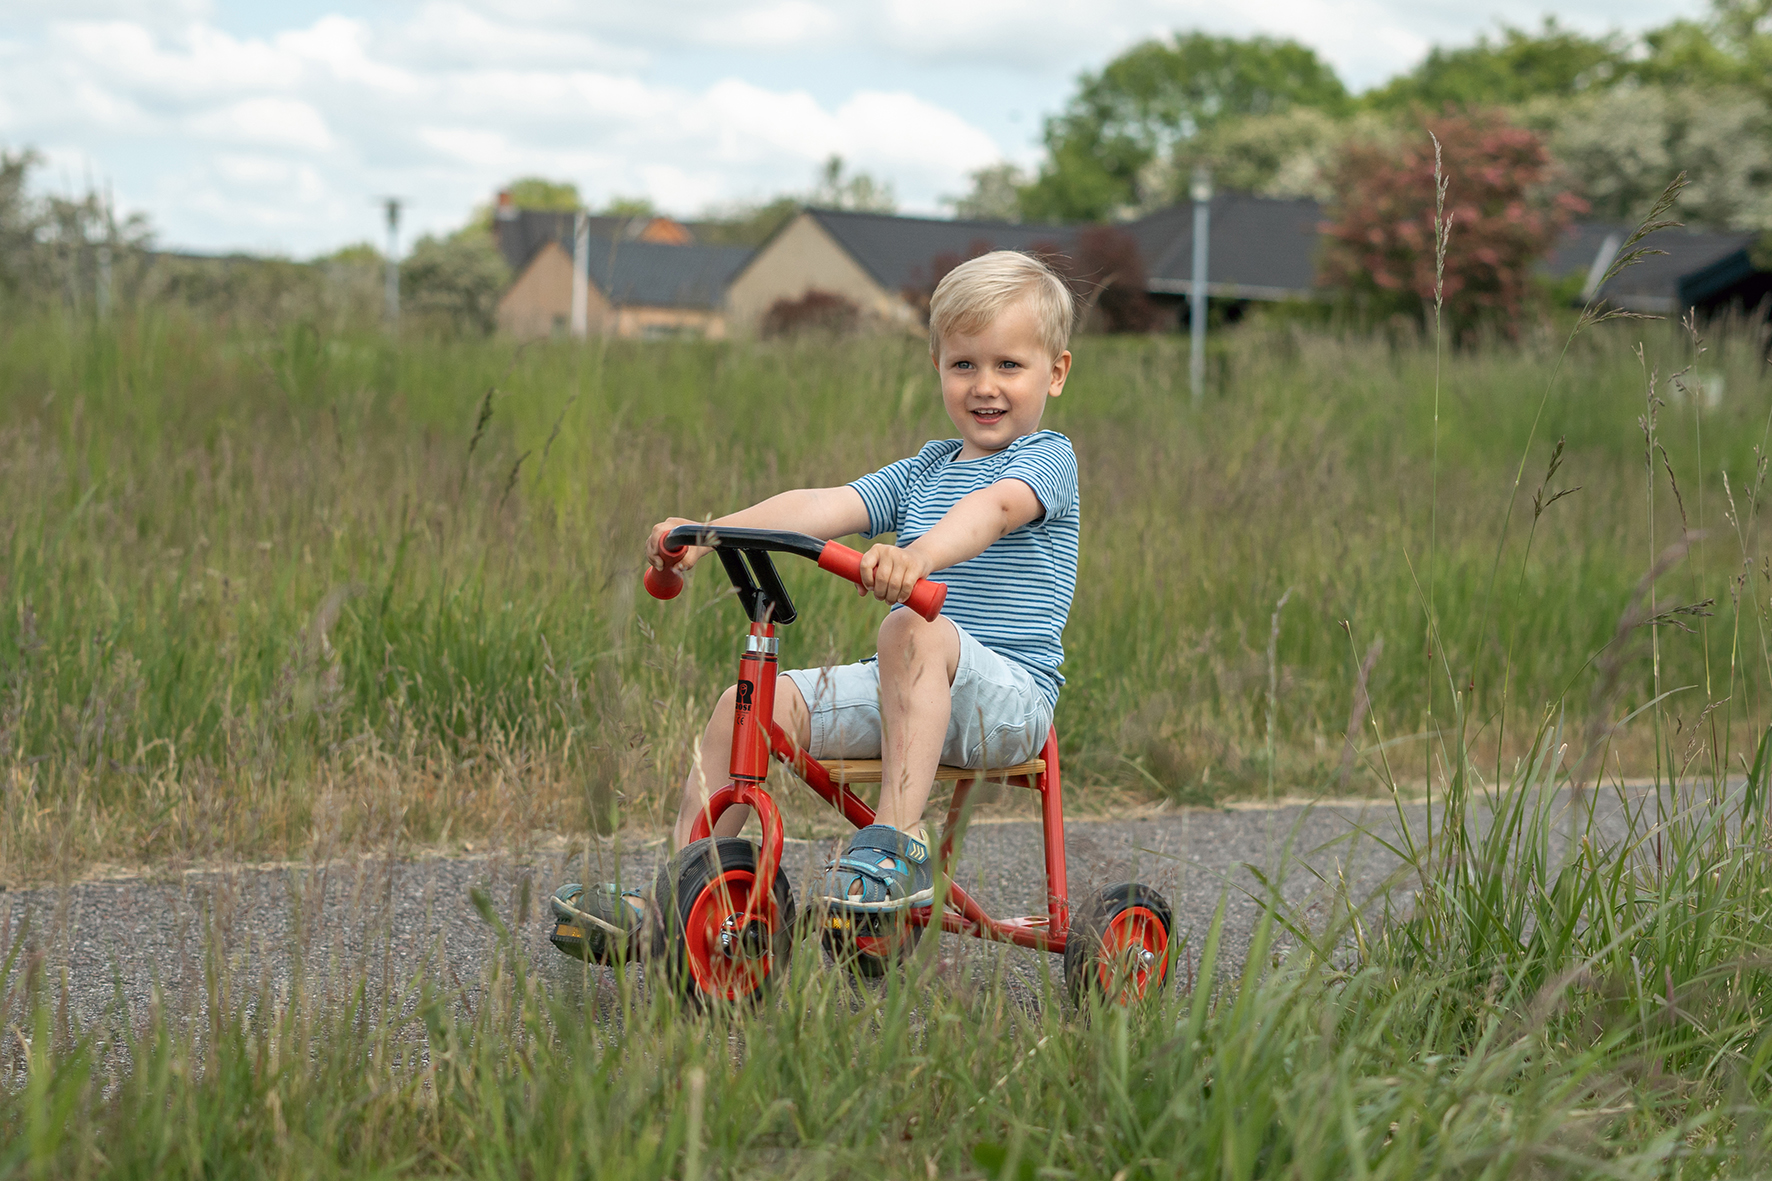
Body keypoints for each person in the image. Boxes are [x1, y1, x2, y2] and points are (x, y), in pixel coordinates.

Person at [551, 249, 1080, 958]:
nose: (985, 386)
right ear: (938, 368)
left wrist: (918, 556)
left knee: (909, 626)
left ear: (1056, 371)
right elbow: (824, 504)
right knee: (750, 703)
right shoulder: (924, 469)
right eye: (964, 365)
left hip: (1007, 701)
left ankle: (894, 846)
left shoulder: (1045, 458)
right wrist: (711, 533)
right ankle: (679, 897)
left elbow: (994, 510)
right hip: (908, 685)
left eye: (1009, 366)